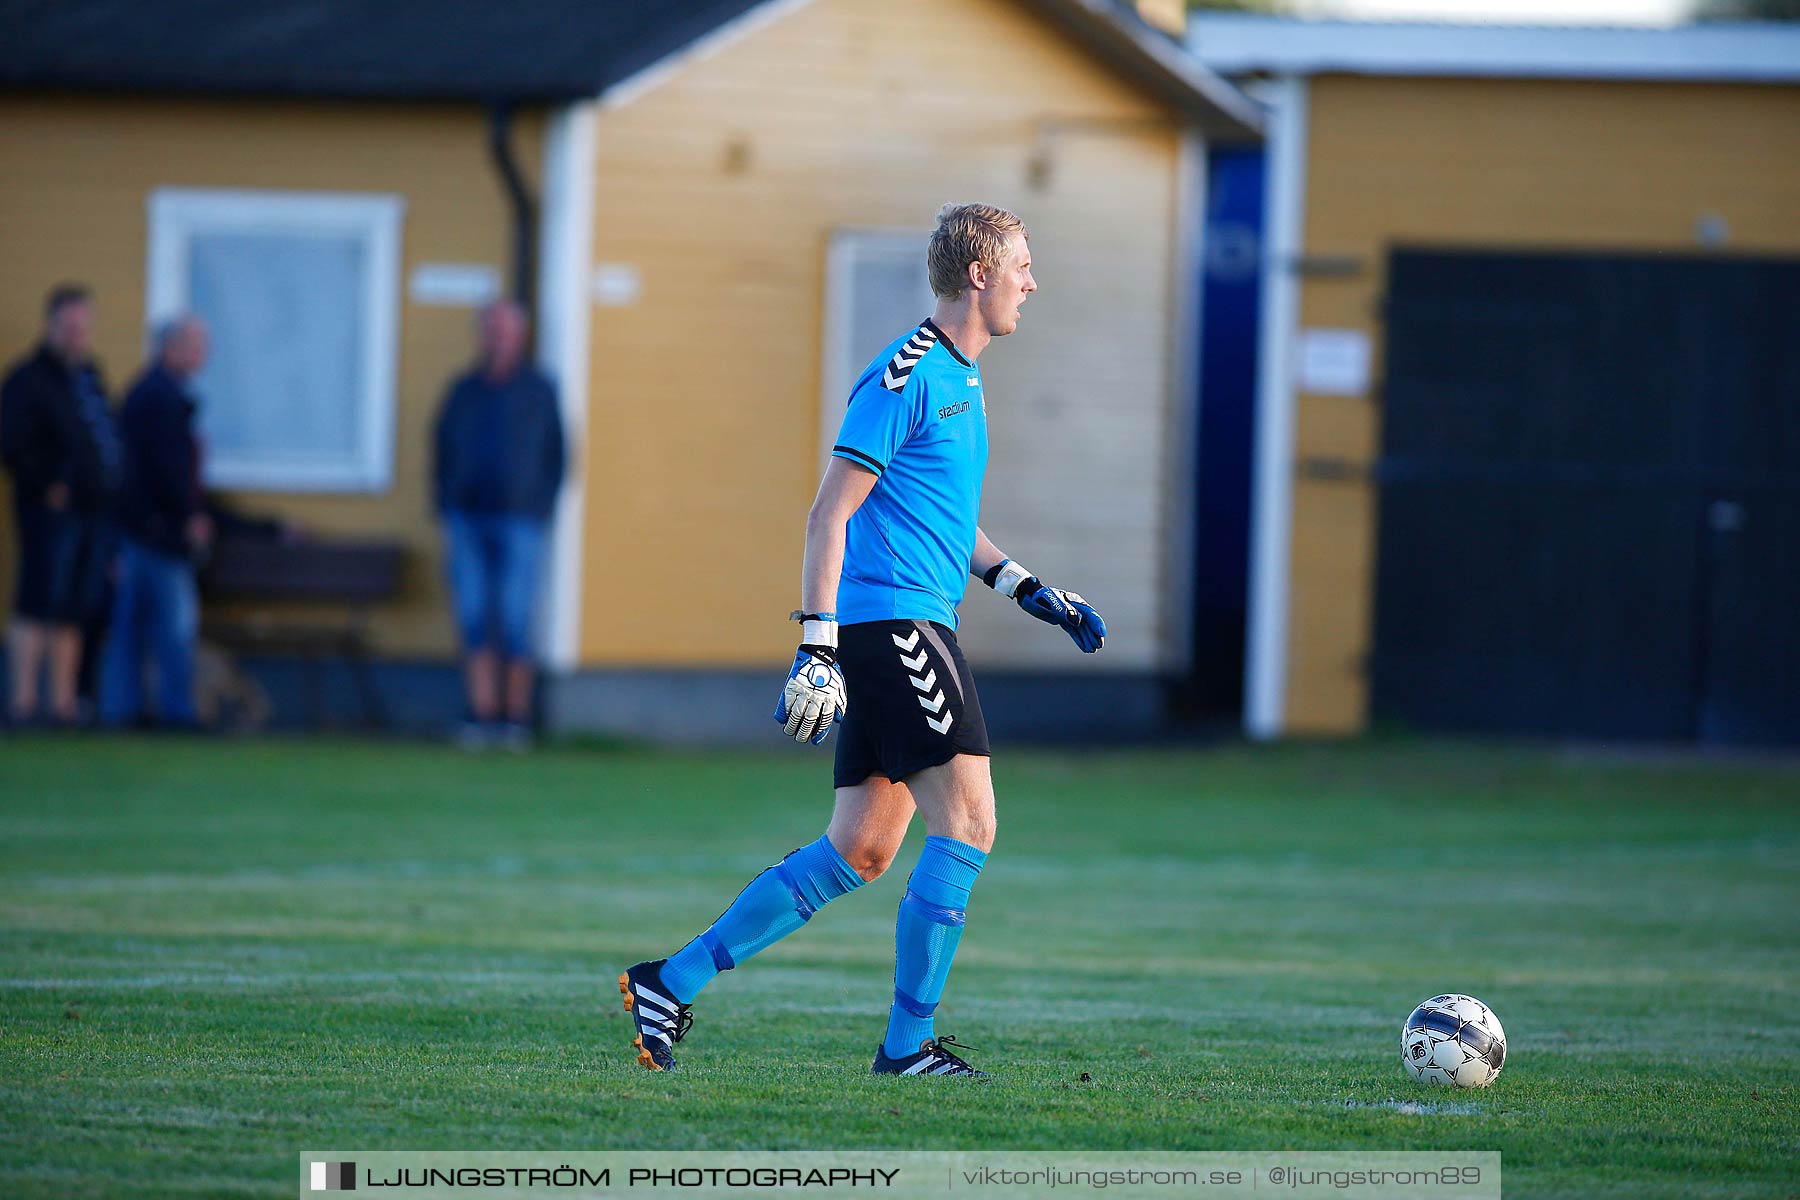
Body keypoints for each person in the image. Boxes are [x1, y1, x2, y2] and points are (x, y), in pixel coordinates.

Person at [618, 204, 1107, 1077]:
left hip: (909, 622)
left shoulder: (962, 374)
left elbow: (941, 518)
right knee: (970, 825)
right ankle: (907, 1048)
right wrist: (818, 645)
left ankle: (670, 980)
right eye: (1024, 267)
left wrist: (1025, 586)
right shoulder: (906, 374)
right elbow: (828, 512)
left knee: (862, 850)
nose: (1034, 283)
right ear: (980, 275)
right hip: (898, 630)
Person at [432, 299, 565, 749]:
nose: (499, 338)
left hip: (520, 519)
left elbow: (557, 454)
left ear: (520, 336)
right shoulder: (464, 390)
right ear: (482, 335)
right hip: (467, 518)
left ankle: (515, 719)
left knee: (514, 616)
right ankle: (479, 714)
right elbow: (441, 447)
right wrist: (446, 501)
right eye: (493, 330)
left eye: (507, 330)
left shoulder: (538, 391)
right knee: (472, 615)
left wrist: (540, 506)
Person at [1, 284, 122, 727]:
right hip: (48, 511)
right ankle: (23, 702)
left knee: (75, 606)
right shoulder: (28, 379)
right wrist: (47, 483)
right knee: (37, 600)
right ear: (50, 325)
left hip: (92, 511)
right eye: (69, 327)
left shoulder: (88, 377)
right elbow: (11, 442)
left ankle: (64, 703)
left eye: (83, 327)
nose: (77, 335)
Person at [99, 315, 212, 729]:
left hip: (140, 526)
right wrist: (188, 515)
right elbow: (167, 469)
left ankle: (124, 709)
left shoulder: (157, 393)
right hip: (155, 530)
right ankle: (174, 711)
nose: (204, 354)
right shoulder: (158, 398)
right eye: (197, 344)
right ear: (171, 347)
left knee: (131, 624)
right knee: (171, 627)